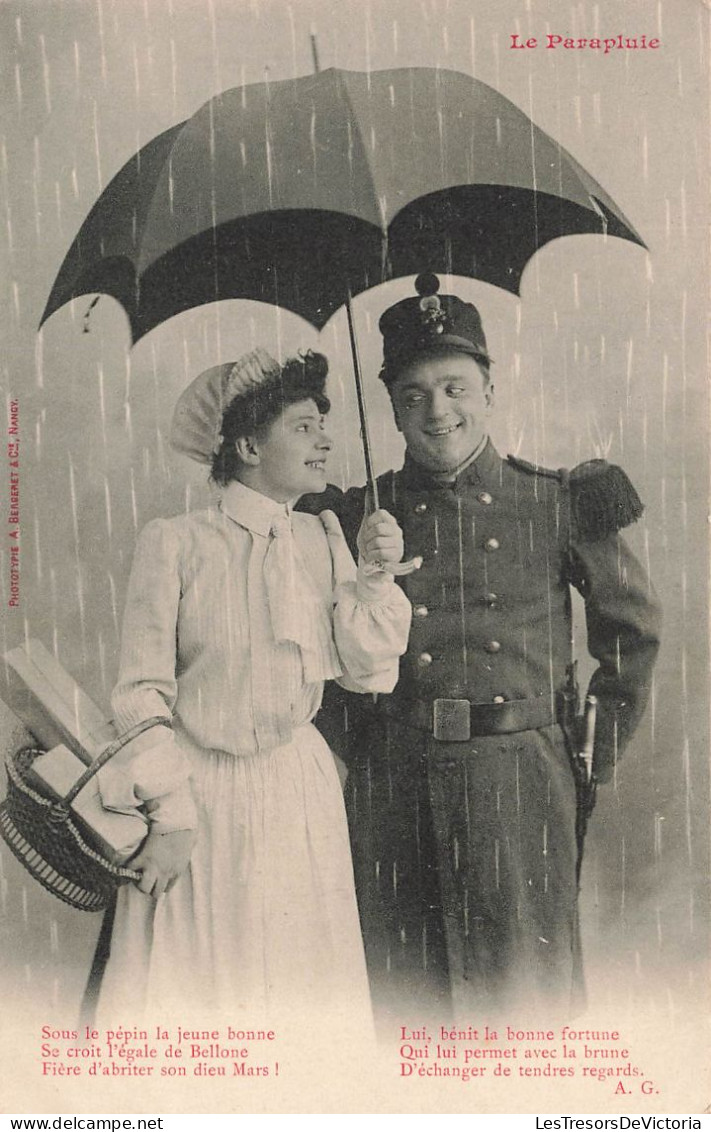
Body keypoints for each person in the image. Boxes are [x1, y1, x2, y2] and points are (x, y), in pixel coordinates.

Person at [299, 274, 662, 1028]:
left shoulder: (558, 500)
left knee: (523, 996)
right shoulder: (351, 515)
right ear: (392, 407)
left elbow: (632, 631)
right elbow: (307, 648)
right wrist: (360, 742)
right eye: (413, 395)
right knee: (405, 992)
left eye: (455, 387)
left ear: (489, 389)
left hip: (521, 782)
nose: (438, 412)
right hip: (392, 784)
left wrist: (585, 754)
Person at [93, 347, 411, 1033]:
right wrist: (172, 816)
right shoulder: (176, 542)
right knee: (203, 990)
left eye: (323, 424)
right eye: (302, 425)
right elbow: (140, 693)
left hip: (297, 792)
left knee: (298, 995)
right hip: (199, 793)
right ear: (244, 444)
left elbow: (365, 673)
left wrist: (375, 580)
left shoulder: (322, 537)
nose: (323, 438)